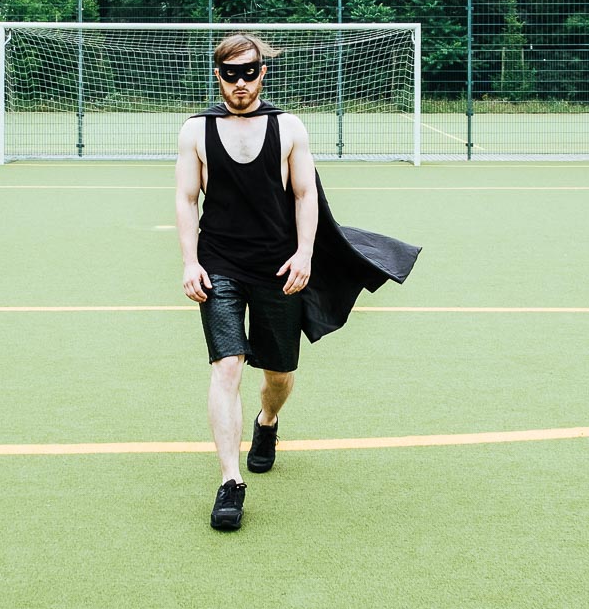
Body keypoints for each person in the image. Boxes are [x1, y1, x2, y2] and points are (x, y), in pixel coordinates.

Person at [175, 32, 421, 531]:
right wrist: (189, 261)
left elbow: (306, 195)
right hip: (219, 264)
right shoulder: (195, 131)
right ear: (217, 75)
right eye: (230, 73)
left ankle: (267, 423)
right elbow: (186, 200)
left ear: (263, 72)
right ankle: (230, 482)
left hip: (278, 266)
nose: (240, 82)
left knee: (279, 374)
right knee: (226, 366)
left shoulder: (288, 128)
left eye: (249, 72)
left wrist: (305, 254)